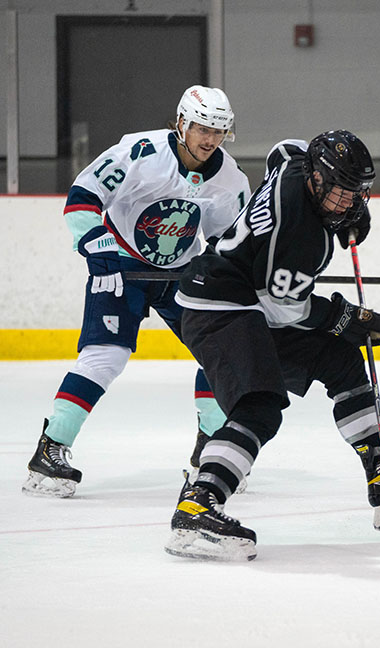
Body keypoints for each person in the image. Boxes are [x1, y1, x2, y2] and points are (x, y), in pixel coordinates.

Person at [163, 130, 380, 561]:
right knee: (259, 406)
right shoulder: (299, 234)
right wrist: (342, 317)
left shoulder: (298, 164)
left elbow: (283, 148)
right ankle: (198, 505)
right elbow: (281, 308)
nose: (348, 204)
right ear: (315, 179)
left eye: (356, 195)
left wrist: (344, 215)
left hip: (248, 296)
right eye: (339, 194)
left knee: (341, 360)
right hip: (221, 303)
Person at [23, 86, 251, 498]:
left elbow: (227, 239)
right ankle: (51, 448)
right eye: (202, 128)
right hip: (121, 266)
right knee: (105, 357)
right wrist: (95, 243)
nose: (210, 139)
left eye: (219, 131)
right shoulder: (141, 152)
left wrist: (231, 273)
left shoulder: (230, 178)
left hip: (182, 272)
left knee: (220, 352)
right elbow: (83, 197)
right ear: (181, 123)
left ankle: (210, 449)